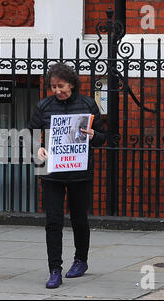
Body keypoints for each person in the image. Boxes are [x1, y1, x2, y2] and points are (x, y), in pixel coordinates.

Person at [28, 62, 106, 289]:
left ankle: (81, 260)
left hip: (79, 173)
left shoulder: (88, 104)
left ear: (71, 84)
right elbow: (30, 134)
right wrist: (37, 148)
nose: (57, 91)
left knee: (79, 220)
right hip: (52, 173)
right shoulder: (44, 106)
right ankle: (55, 270)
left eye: (60, 86)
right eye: (53, 87)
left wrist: (93, 135)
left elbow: (104, 137)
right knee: (53, 222)